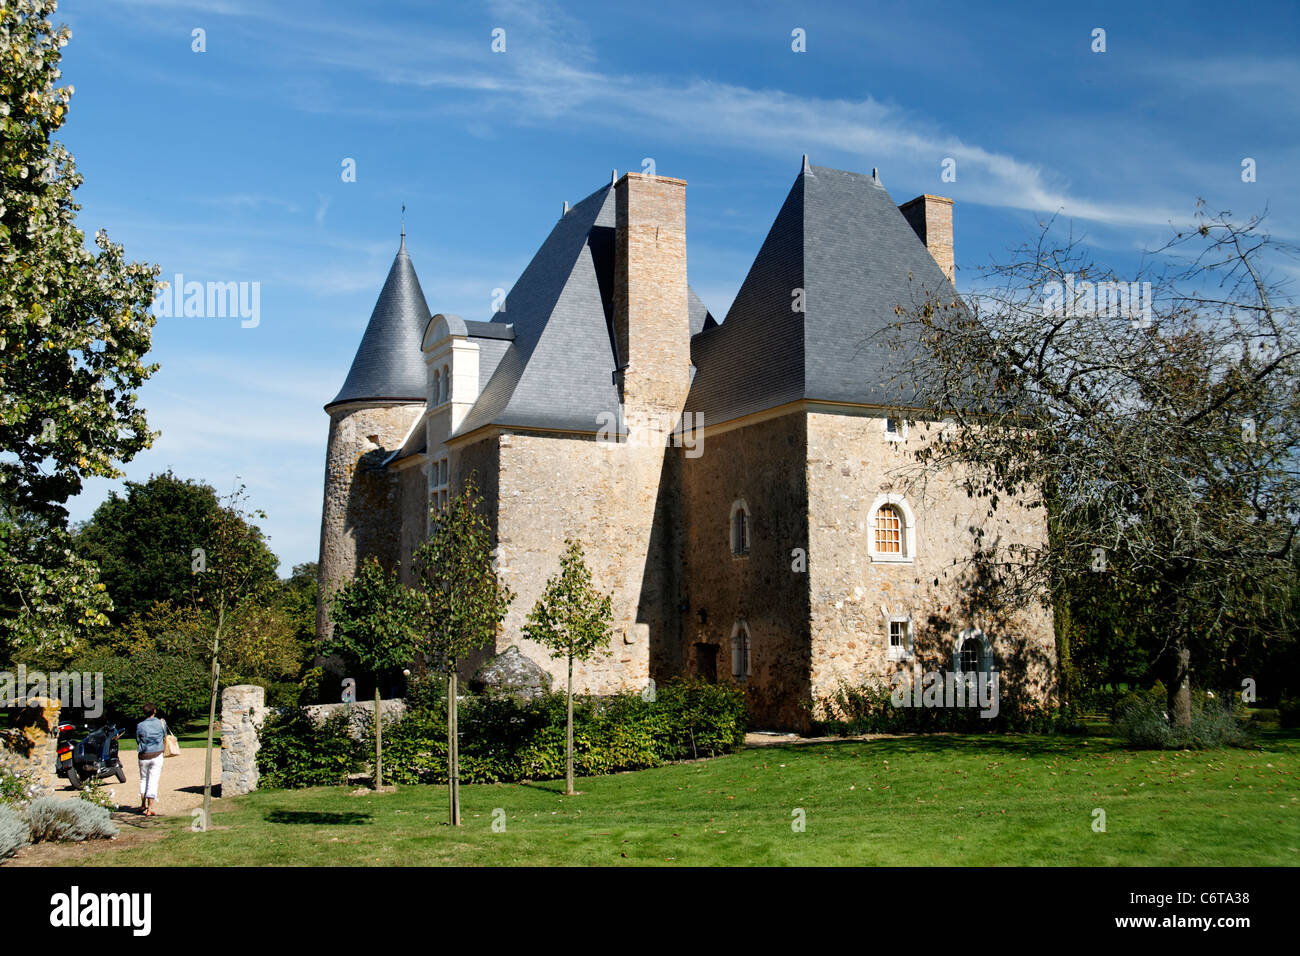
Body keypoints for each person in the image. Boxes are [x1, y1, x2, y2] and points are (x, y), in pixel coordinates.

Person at [135, 703, 168, 816]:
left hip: (144, 755)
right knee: (153, 781)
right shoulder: (161, 723)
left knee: (143, 779)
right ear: (154, 710)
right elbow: (165, 736)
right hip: (157, 753)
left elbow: (138, 740)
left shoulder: (140, 725)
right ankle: (149, 808)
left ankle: (143, 804)